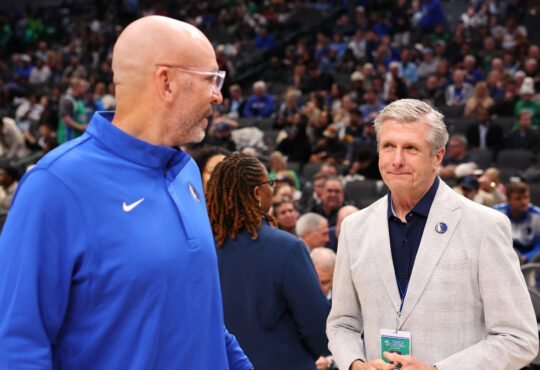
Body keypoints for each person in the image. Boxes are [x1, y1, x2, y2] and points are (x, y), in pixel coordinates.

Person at [0, 16, 253, 369]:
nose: (218, 94)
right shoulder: (54, 186)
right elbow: (18, 346)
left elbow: (201, 315)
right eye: (211, 79)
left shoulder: (188, 172)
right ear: (166, 82)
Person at [327, 99, 538, 370]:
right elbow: (342, 323)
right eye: (388, 146)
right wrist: (355, 363)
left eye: (411, 148)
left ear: (437, 156)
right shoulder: (354, 228)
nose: (397, 160)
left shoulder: (484, 227)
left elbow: (519, 339)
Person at [206, 153, 330, 370]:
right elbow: (318, 328)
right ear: (256, 192)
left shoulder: (201, 249)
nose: (272, 188)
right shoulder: (289, 247)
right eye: (269, 183)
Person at [494, 181, 540, 263]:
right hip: (502, 255)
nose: (524, 202)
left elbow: (538, 245)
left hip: (528, 258)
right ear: (508, 199)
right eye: (518, 198)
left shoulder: (537, 216)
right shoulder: (495, 213)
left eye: (526, 197)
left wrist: (526, 257)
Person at [57, 77, 88, 143]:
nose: (85, 89)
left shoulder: (79, 101)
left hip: (77, 138)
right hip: (68, 139)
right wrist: (80, 127)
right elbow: (64, 118)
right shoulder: (67, 100)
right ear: (76, 87)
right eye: (83, 86)